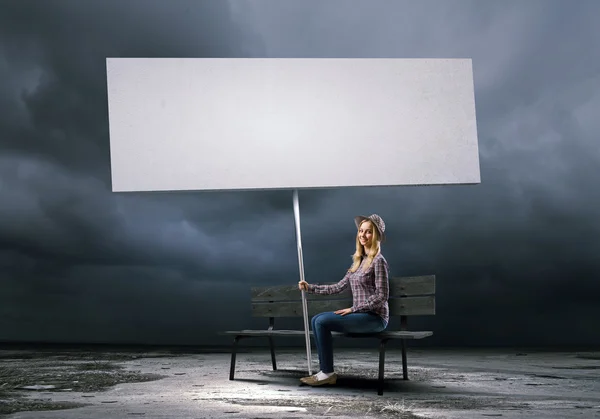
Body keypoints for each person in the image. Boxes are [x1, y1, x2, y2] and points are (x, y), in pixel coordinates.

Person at [298, 213, 390, 386]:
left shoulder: (379, 261)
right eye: (361, 231)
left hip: (375, 318)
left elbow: (381, 296)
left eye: (368, 232)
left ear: (376, 236)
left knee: (321, 321)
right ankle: (326, 371)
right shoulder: (358, 262)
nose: (362, 235)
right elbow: (337, 287)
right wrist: (310, 287)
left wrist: (353, 309)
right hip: (361, 316)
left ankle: (327, 373)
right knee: (317, 319)